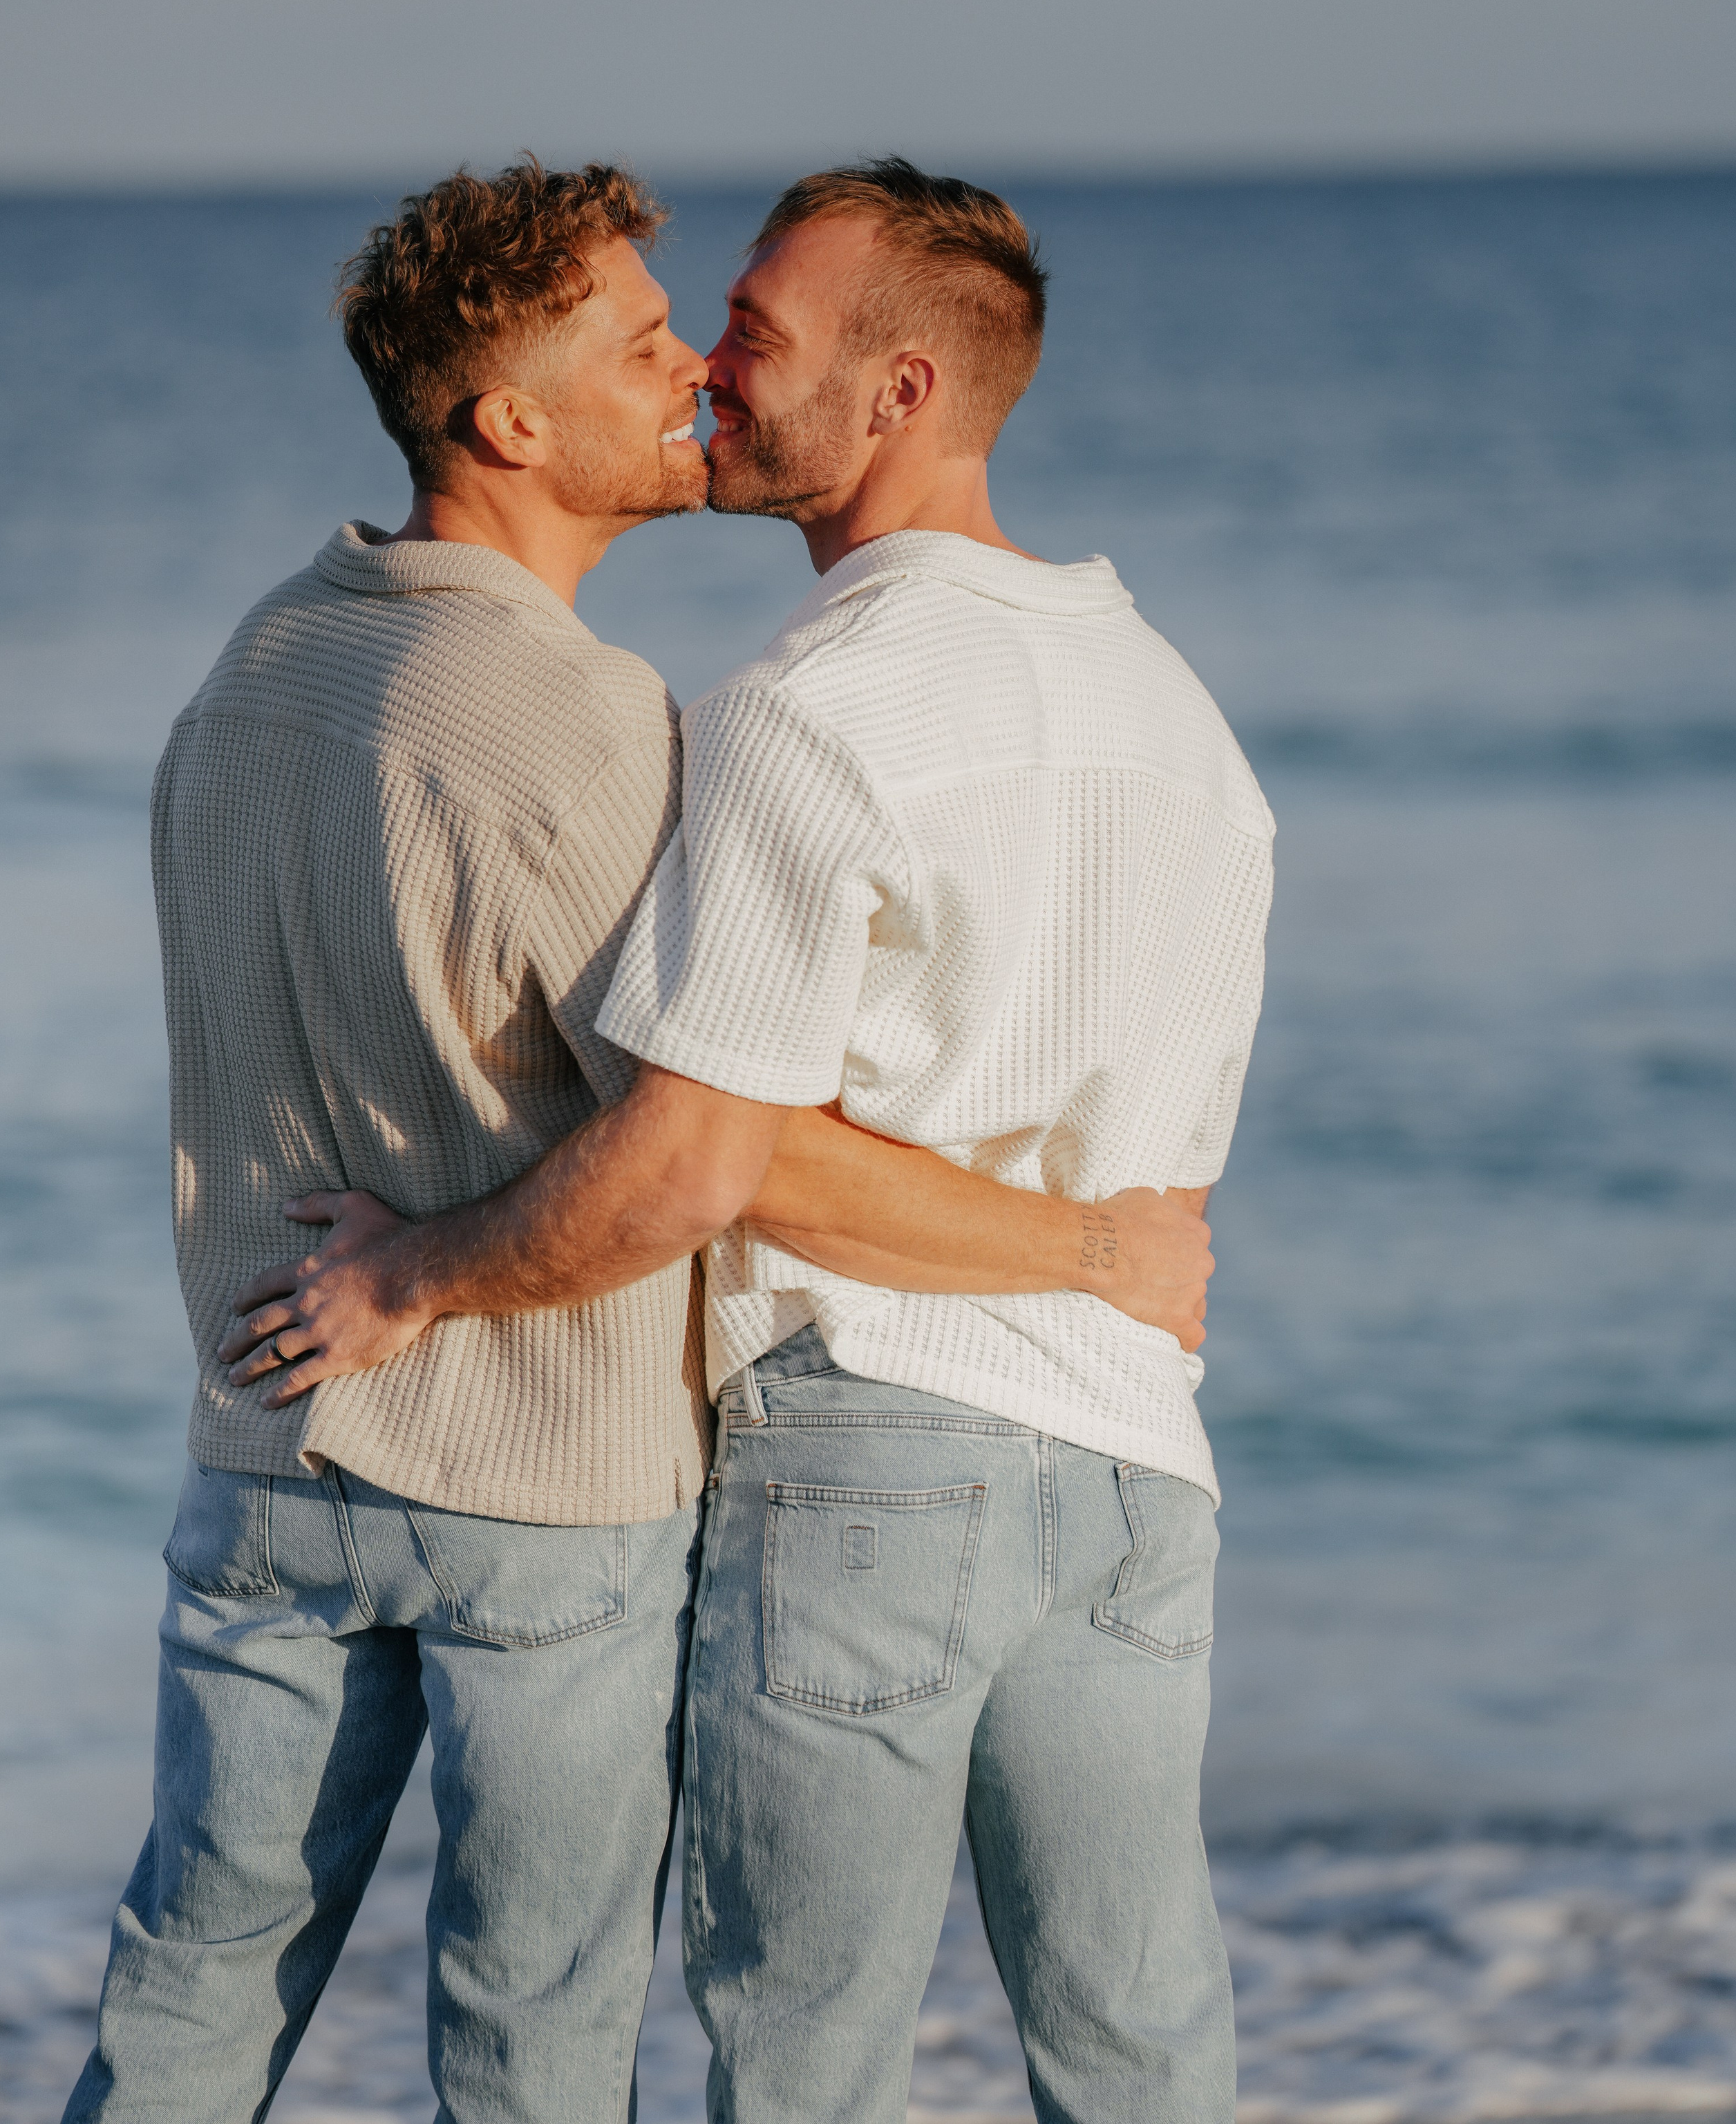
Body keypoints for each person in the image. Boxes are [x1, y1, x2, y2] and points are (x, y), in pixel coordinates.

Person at [65, 158, 1213, 2124]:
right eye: (646, 343)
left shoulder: (242, 673)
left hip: (263, 1442)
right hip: (557, 1480)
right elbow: (705, 1146)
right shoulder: (605, 723)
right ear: (512, 423)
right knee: (542, 2042)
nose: (691, 371)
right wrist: (1100, 1250)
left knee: (192, 1998)